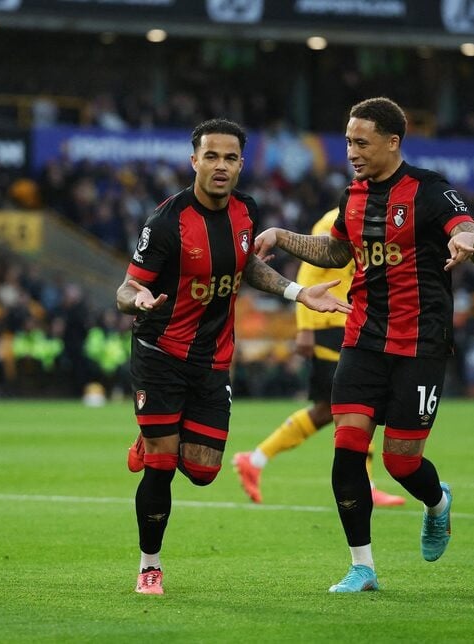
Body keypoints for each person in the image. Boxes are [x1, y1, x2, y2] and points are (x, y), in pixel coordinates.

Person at [254, 97, 474, 592]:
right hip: (362, 337)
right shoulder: (354, 196)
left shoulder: (430, 191)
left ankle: (437, 504)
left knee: (401, 462)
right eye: (347, 141)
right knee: (347, 450)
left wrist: (471, 244)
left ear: (393, 142)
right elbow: (335, 249)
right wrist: (280, 235)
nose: (352, 151)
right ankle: (362, 566)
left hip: (420, 342)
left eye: (361, 142)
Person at [118, 118, 351, 596]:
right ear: (194, 161)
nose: (220, 166)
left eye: (230, 158)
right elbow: (128, 285)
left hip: (213, 358)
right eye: (211, 156)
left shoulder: (247, 212)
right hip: (159, 351)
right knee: (163, 464)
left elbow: (249, 269)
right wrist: (137, 299)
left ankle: (153, 437)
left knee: (203, 471)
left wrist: (298, 292)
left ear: (242, 164)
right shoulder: (166, 221)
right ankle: (149, 566)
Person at [231, 208, 405, 507]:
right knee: (359, 404)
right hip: (330, 324)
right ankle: (366, 484)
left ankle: (255, 459)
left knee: (328, 410)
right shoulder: (335, 220)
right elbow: (309, 271)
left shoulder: (374, 219)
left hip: (352, 322)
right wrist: (305, 328)